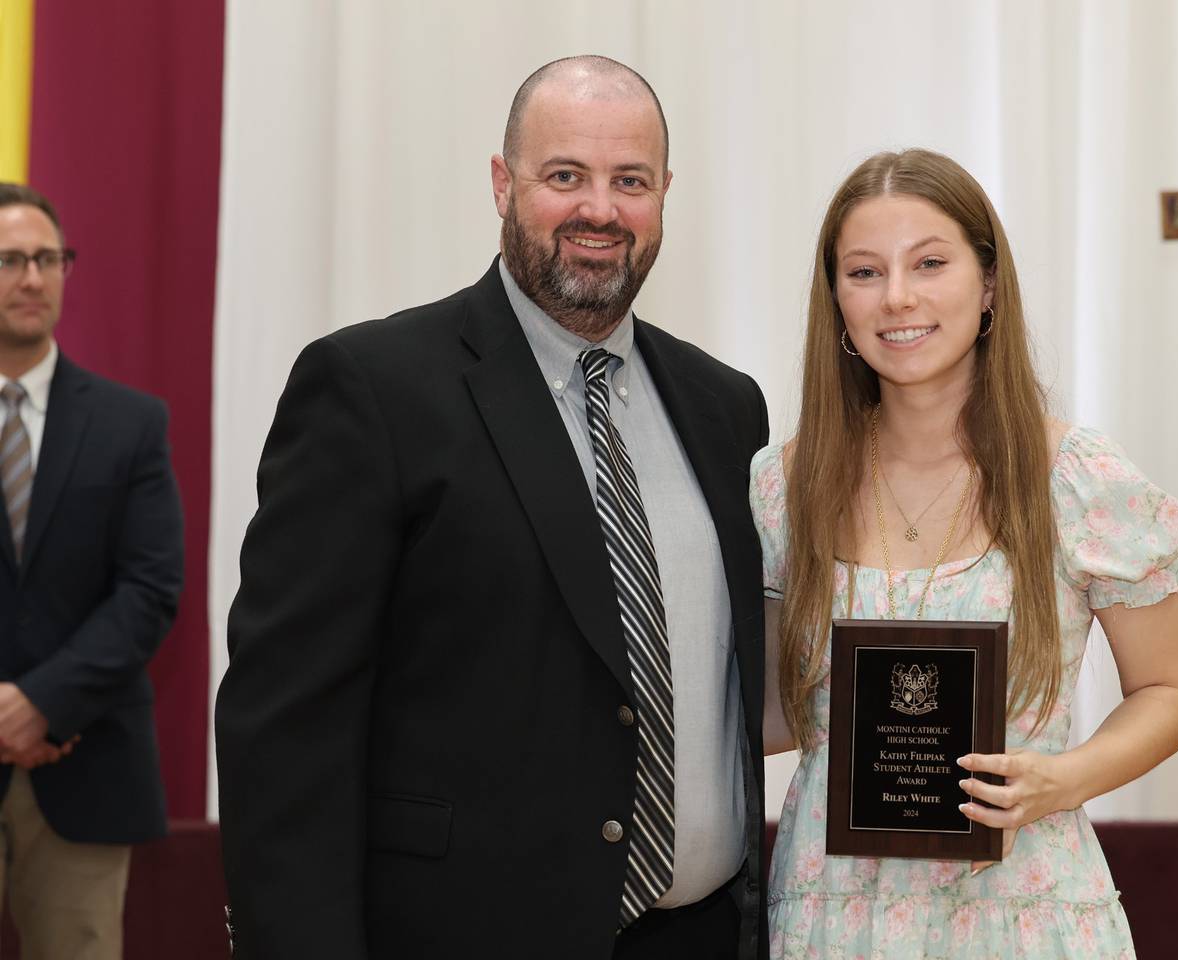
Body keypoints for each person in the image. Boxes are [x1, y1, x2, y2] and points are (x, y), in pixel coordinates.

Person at [215, 56, 770, 959]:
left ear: (665, 193)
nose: (600, 209)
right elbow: (285, 730)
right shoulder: (371, 390)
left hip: (700, 937)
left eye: (630, 180)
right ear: (503, 184)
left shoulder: (726, 408)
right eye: (565, 176)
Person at [753, 150, 1178, 958]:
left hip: (1026, 912)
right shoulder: (784, 486)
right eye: (864, 271)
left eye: (930, 263)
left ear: (988, 285)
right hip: (833, 918)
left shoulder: (1077, 478)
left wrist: (1063, 779)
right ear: (837, 303)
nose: (898, 296)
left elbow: (1167, 690)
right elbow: (776, 713)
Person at [0, 182, 184, 959]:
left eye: (49, 259)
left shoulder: (130, 423)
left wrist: (41, 704)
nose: (33, 278)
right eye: (11, 259)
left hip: (85, 768)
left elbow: (150, 590)